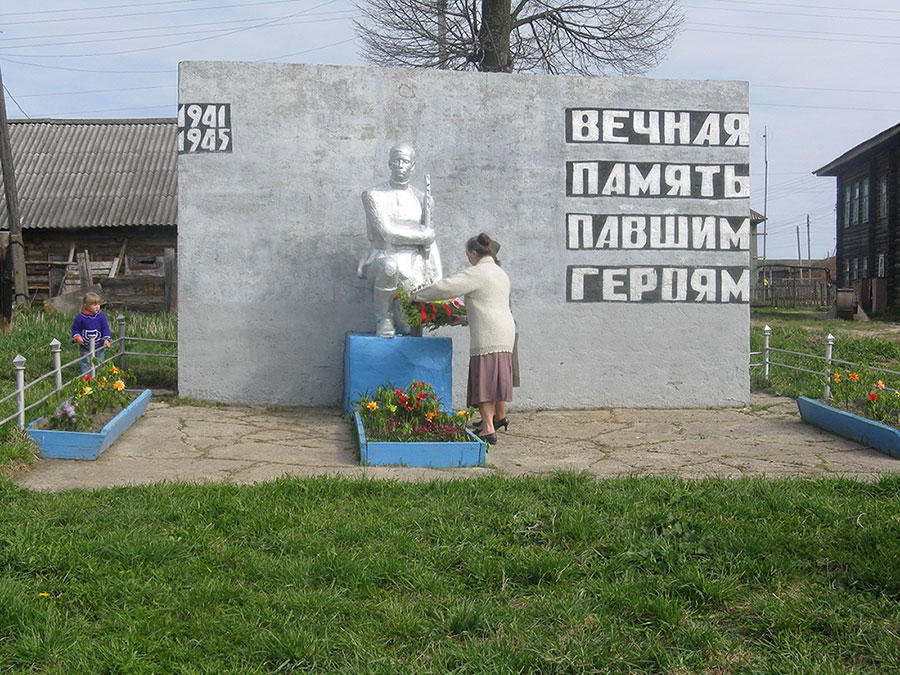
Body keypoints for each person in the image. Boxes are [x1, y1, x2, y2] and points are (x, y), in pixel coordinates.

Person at [411, 233, 515, 443]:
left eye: (468, 256)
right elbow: (489, 304)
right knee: (495, 381)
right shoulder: (500, 273)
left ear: (474, 253)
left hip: (488, 334)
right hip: (506, 333)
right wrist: (465, 319)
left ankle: (488, 429)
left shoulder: (477, 273)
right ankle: (494, 421)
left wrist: (417, 296)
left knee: (484, 381)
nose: (469, 259)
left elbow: (446, 287)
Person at [358, 143, 442, 338]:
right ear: (389, 163)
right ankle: (384, 318)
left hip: (413, 261)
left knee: (409, 328)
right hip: (382, 255)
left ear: (413, 165)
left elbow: (430, 240)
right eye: (396, 161)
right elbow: (386, 233)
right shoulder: (373, 195)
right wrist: (423, 236)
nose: (400, 165)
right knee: (389, 267)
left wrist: (435, 271)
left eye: (405, 161)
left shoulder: (423, 199)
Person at [71, 291, 111, 374]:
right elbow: (75, 329)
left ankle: (99, 377)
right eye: (94, 305)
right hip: (85, 345)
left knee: (99, 361)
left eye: (98, 304)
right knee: (86, 362)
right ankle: (87, 377)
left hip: (99, 344)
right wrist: (77, 337)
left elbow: (105, 328)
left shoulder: (101, 316)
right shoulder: (80, 318)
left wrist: (106, 339)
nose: (97, 307)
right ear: (86, 306)